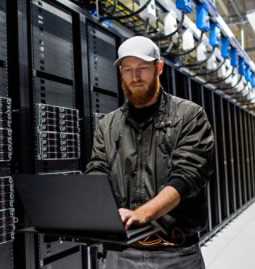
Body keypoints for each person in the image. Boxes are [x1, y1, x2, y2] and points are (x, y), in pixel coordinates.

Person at [85, 36, 214, 268]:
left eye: (143, 68)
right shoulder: (107, 125)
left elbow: (188, 176)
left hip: (175, 253)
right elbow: (97, 170)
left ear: (159, 67)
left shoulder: (189, 116)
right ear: (121, 73)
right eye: (128, 70)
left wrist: (143, 213)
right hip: (121, 253)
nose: (135, 77)